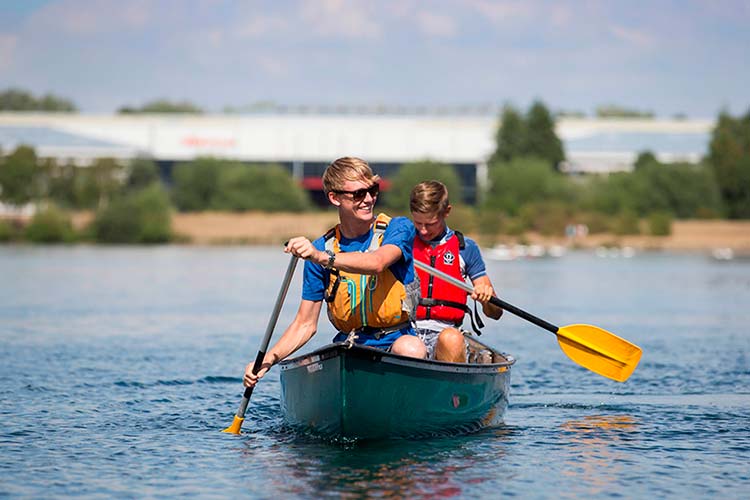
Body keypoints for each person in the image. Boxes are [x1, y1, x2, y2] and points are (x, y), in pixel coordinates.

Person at [244, 157, 426, 389]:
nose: (368, 199)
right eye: (358, 194)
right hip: (350, 347)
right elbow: (305, 324)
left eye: (373, 190)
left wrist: (321, 258)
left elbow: (377, 262)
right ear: (334, 197)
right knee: (331, 359)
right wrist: (267, 360)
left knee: (412, 348)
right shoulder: (321, 248)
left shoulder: (398, 228)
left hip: (397, 340)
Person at [410, 180, 503, 362]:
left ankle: (452, 389)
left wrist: (487, 299)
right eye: (417, 222)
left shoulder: (465, 248)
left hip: (445, 332)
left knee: (451, 339)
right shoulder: (402, 242)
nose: (423, 230)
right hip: (405, 330)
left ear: (447, 212)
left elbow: (496, 313)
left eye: (430, 223)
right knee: (408, 347)